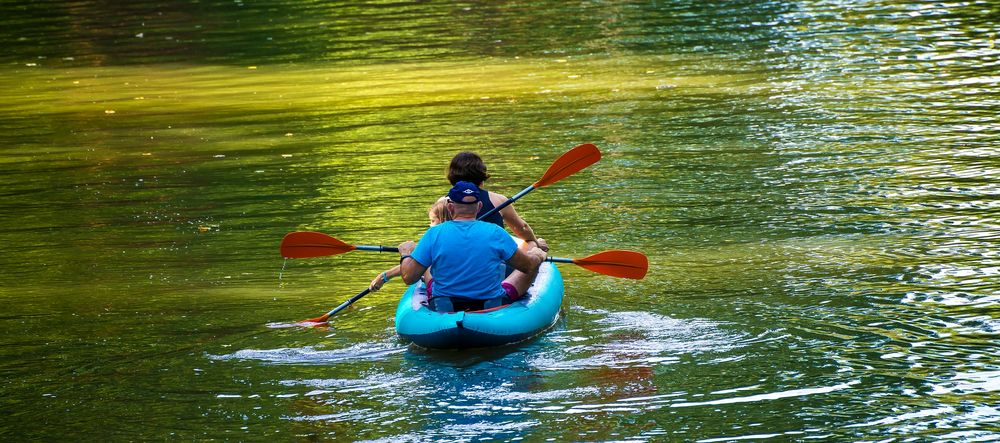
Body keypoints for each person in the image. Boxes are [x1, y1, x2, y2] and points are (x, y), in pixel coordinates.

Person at [397, 181, 548, 312]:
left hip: (445, 306)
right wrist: (537, 255)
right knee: (532, 263)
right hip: (491, 304)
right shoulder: (496, 232)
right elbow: (527, 267)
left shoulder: (433, 234)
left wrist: (406, 253)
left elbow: (409, 277)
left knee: (428, 264)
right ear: (479, 206)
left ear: (450, 207)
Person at [447, 152, 547, 253]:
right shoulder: (498, 200)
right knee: (531, 244)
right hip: (493, 259)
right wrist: (537, 243)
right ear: (481, 176)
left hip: (454, 257)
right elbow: (522, 228)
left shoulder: (442, 203)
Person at [369, 197, 450, 292]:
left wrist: (385, 276)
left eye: (432, 221)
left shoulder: (433, 238)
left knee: (426, 264)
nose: (430, 225)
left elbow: (413, 269)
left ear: (443, 220)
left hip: (441, 294)